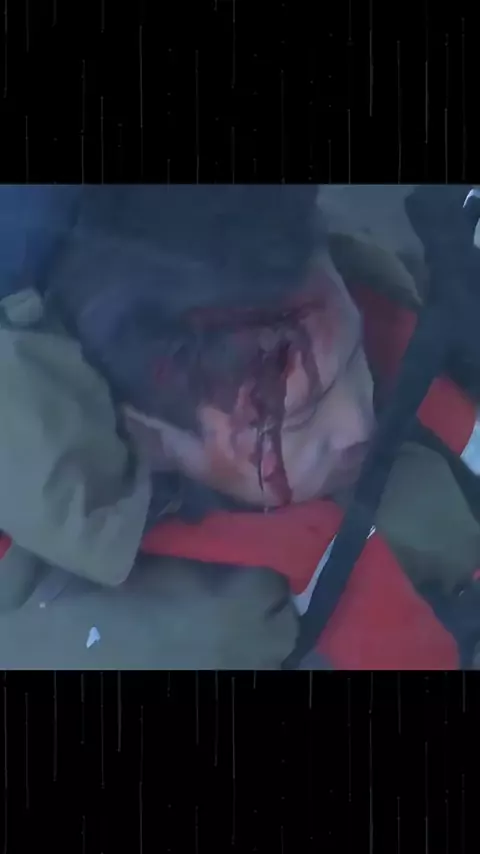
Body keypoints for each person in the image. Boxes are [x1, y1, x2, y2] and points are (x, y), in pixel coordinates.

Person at [2, 185, 480, 668]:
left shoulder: (348, 290)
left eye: (355, 357)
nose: (358, 421)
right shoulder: (174, 645)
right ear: (154, 440)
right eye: (303, 415)